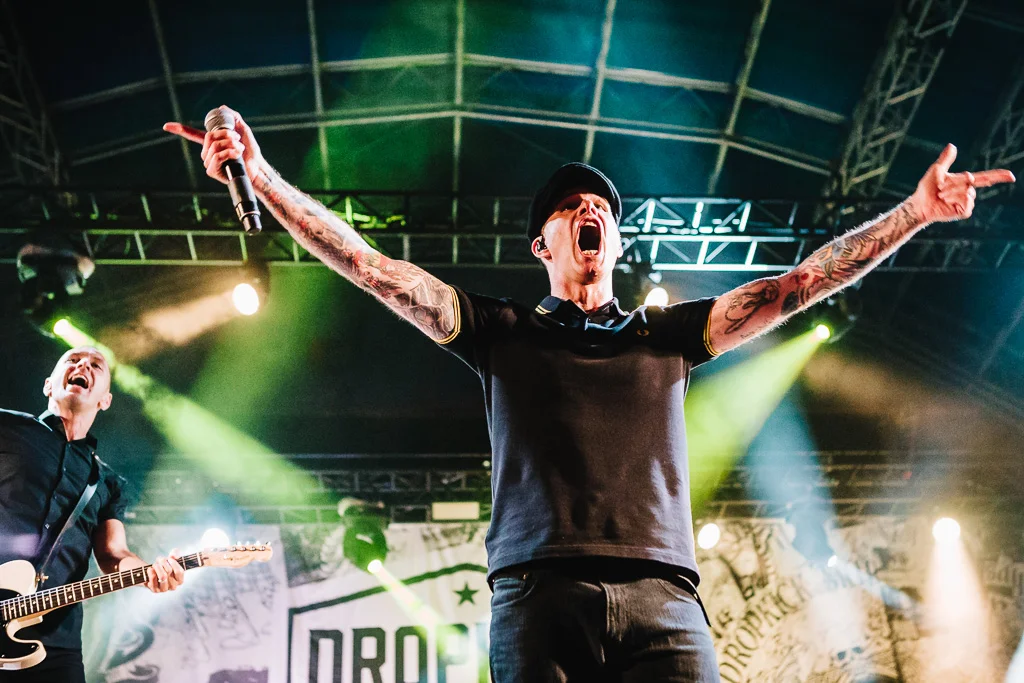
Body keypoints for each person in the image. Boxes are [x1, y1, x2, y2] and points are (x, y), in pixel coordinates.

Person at [165, 108, 1014, 682]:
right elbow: (370, 267)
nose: (590, 211)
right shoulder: (498, 329)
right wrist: (262, 176)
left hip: (666, 600)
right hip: (538, 596)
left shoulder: (668, 335)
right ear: (543, 244)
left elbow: (797, 285)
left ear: (614, 236)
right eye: (571, 206)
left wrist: (912, 213)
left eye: (601, 206)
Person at [0, 347, 186, 682]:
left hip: (57, 644)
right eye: (72, 360)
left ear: (105, 400)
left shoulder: (106, 482)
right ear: (48, 385)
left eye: (96, 365)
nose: (83, 364)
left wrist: (150, 572)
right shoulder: (7, 427)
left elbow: (114, 555)